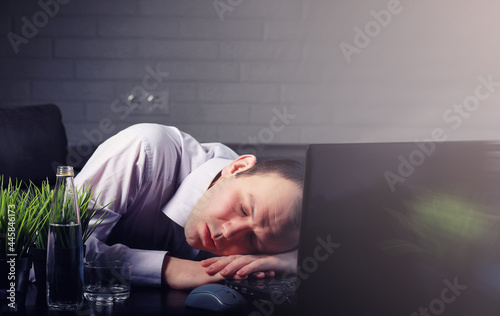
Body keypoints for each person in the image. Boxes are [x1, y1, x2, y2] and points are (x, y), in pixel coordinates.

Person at [75, 123, 304, 290]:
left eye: (253, 241)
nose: (229, 232)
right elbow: (53, 250)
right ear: (237, 167)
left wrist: (289, 261)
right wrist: (169, 269)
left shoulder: (269, 212)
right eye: (244, 209)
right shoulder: (143, 150)